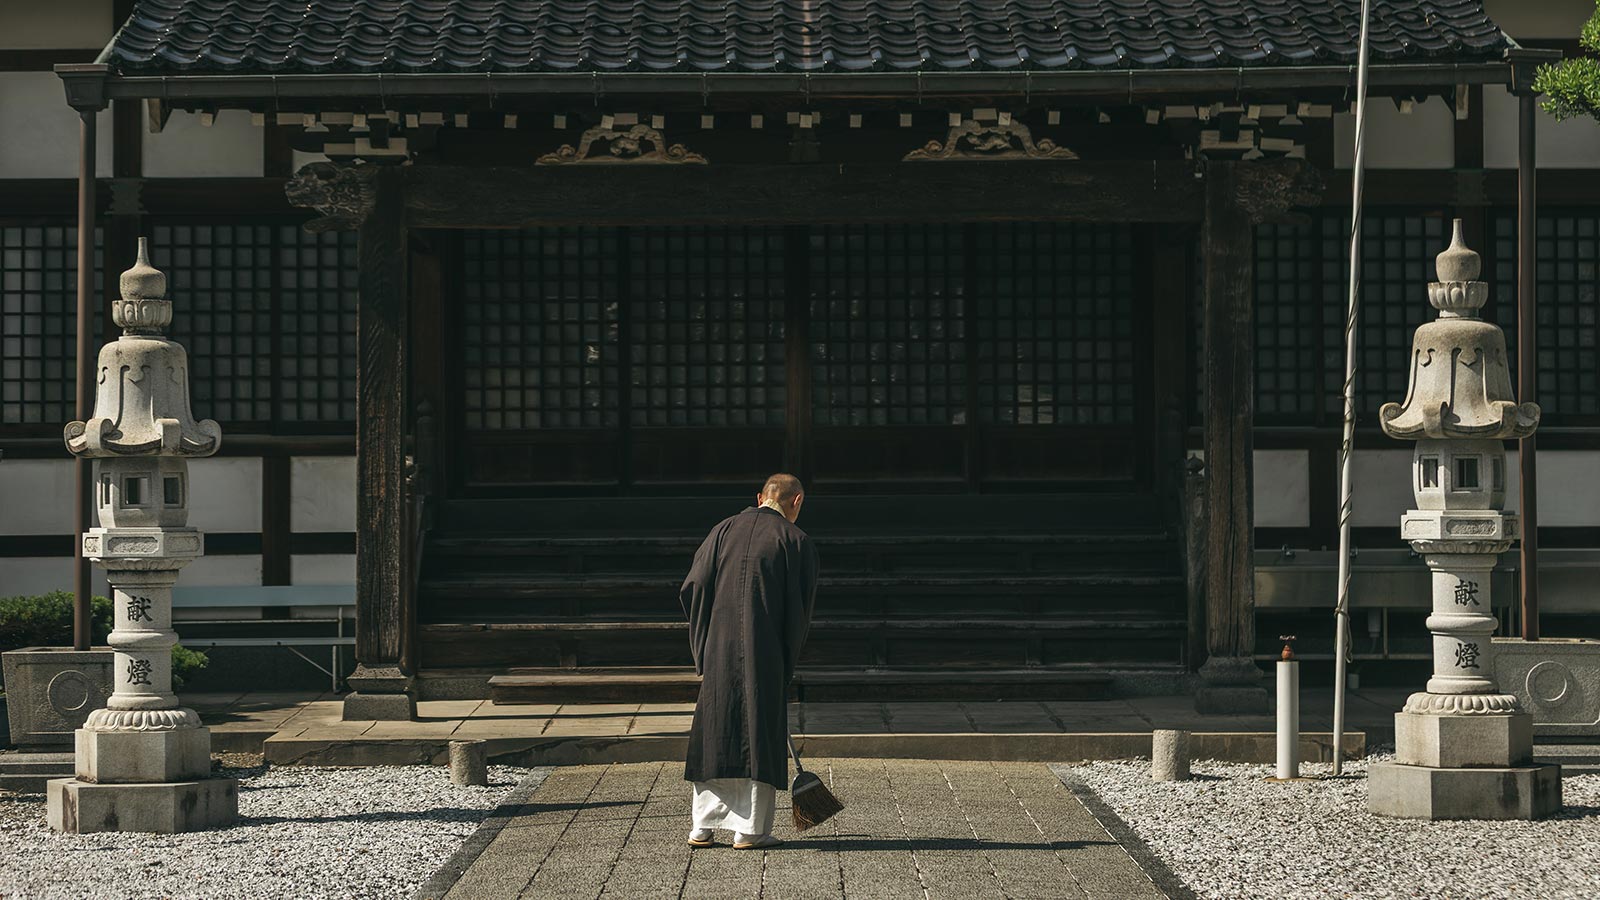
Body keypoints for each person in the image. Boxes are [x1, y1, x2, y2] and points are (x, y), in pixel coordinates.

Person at [679, 473, 819, 850]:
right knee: (757, 731)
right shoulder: (795, 540)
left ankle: (701, 826)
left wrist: (703, 642)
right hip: (765, 650)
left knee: (716, 728)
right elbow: (799, 611)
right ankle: (750, 830)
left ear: (760, 497)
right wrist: (786, 657)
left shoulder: (722, 530)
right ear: (797, 502)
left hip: (719, 647)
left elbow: (693, 586)